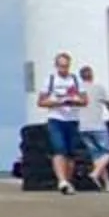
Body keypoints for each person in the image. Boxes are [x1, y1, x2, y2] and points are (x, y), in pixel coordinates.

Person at [37, 54, 88, 193]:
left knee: (71, 152)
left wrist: (74, 101)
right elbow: (41, 101)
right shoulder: (50, 80)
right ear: (56, 66)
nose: (64, 69)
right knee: (59, 149)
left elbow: (85, 101)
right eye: (61, 66)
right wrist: (57, 102)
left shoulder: (76, 80)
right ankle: (62, 181)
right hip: (56, 118)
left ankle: (68, 181)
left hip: (72, 119)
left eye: (66, 66)